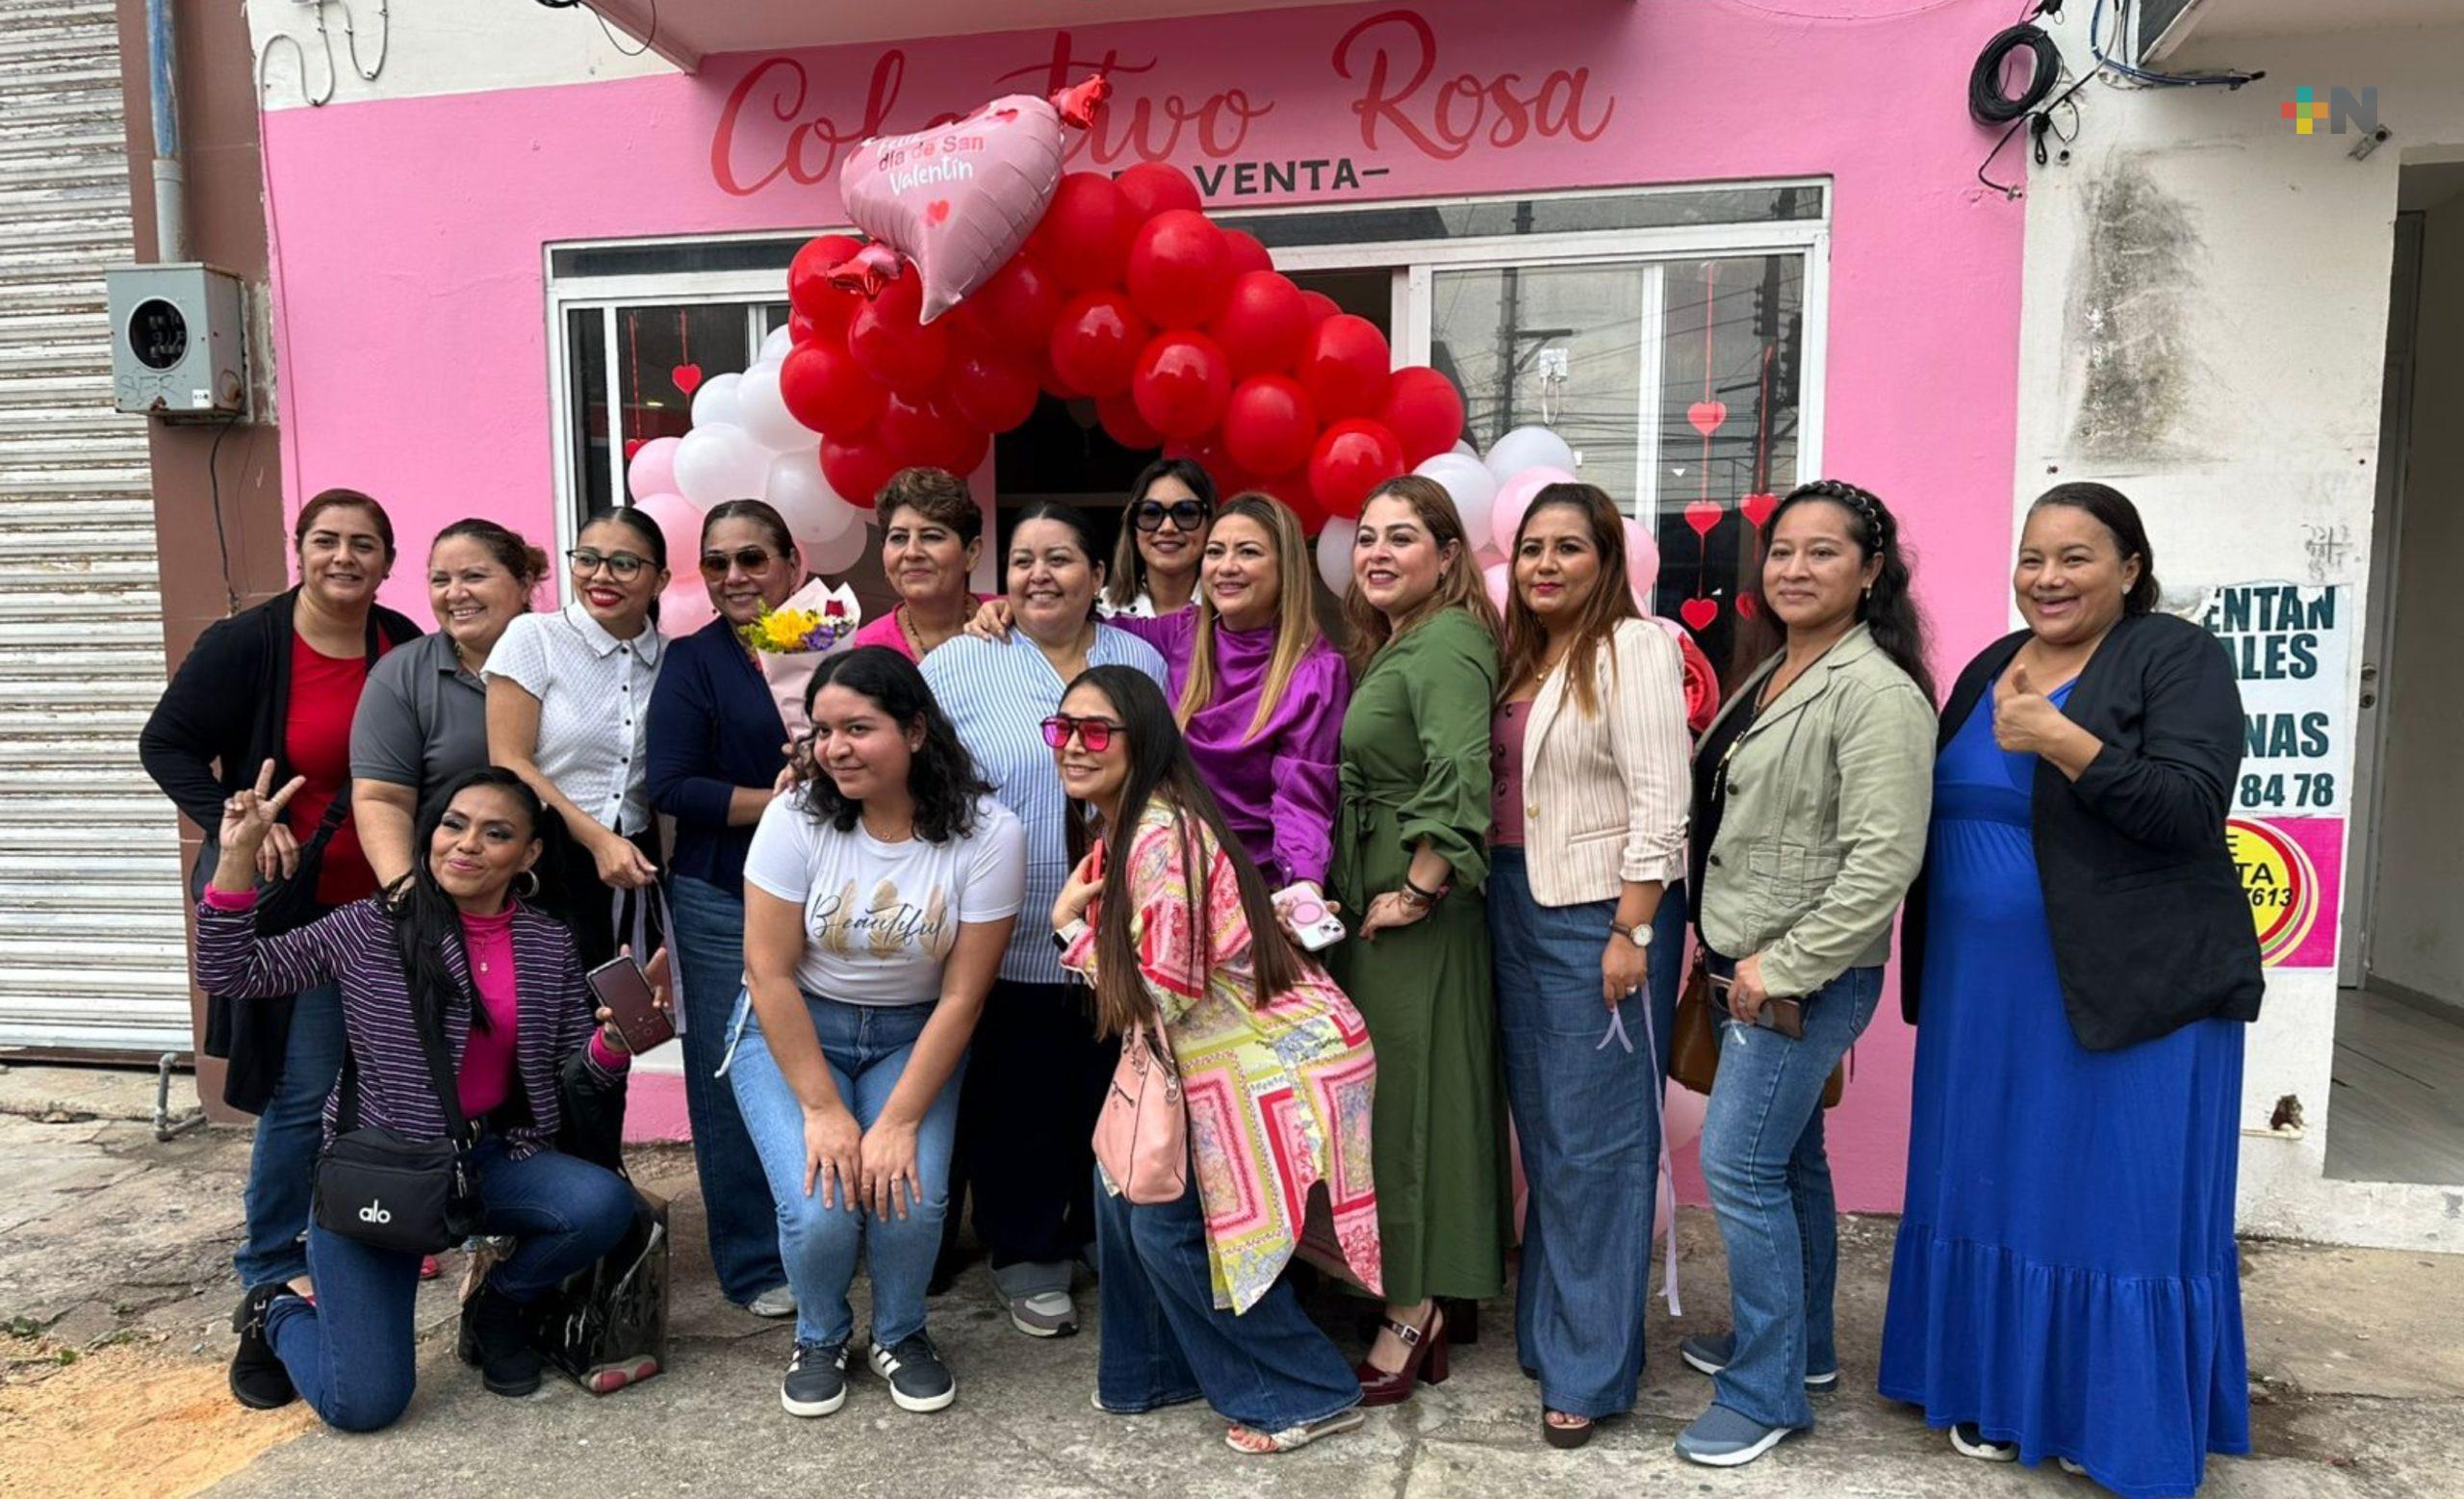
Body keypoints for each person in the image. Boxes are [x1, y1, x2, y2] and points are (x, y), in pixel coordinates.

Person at [1879, 483, 2259, 1496]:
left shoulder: (2172, 654)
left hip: (2126, 986)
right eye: (2031, 557)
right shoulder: (1991, 665)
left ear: (2130, 568)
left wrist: (2063, 741)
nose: (2046, 578)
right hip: (1980, 995)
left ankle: (2107, 1414)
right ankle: (1990, 1388)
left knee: (2110, 1202)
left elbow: (2190, 807)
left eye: (2075, 557)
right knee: (1993, 1185)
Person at [206, 764, 643, 1432]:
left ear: (527, 855)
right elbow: (232, 970)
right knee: (364, 1405)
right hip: (383, 1173)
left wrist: (614, 1042)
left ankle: (497, 1305)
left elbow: (569, 1071)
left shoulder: (547, 941)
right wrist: (237, 856)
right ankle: (276, 1311)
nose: (466, 844)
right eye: (453, 824)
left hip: (485, 1162)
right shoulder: (370, 926)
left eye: (495, 833)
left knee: (602, 1204)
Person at [1049, 666, 1382, 1455]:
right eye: (1062, 728)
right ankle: (1153, 1370)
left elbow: (1161, 991)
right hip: (1218, 1049)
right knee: (1124, 1189)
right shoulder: (1128, 825)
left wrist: (1069, 928)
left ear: (1141, 739)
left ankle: (1307, 1392)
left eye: (1095, 731)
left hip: (1274, 1054)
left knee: (1168, 1228)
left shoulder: (1160, 835)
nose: (1072, 745)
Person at [1672, 478, 1937, 1468]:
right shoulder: (1777, 668)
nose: (1794, 568)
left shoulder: (1876, 693)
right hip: (1746, 959)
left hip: (1802, 975)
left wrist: (1781, 967)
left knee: (1739, 1167)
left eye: (1822, 552)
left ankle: (1766, 1390)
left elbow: (1882, 861)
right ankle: (1804, 1347)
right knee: (1790, 1162)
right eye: (1781, 550)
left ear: (1870, 573)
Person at [137, 488, 422, 1406]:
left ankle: (369, 1221)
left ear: (387, 561)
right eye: (327, 540)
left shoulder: (399, 642)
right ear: (299, 548)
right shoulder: (248, 644)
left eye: (364, 544)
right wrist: (237, 821)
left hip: (378, 907)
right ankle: (268, 1260)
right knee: (303, 1090)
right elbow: (164, 744)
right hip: (291, 910)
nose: (345, 557)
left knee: (381, 1080)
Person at [728, 647, 1023, 1418]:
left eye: (858, 727)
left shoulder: (989, 832)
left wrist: (897, 1121)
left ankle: (901, 1331)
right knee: (820, 1206)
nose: (835, 748)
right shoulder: (796, 818)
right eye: (823, 731)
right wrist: (824, 1109)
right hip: (796, 1025)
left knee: (909, 1194)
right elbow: (768, 973)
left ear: (916, 730)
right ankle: (820, 1333)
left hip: (913, 1033)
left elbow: (963, 994)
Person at [920, 502, 1168, 1337]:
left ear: (1097, 575)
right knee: (1018, 1099)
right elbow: (924, 780)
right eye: (1022, 560)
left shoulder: (1139, 659)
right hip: (1008, 926)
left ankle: (1103, 1229)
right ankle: (1026, 1250)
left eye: (1059, 558)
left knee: (1110, 1085)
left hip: (1121, 926)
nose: (1038, 574)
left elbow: (1161, 771)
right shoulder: (961, 661)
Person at [1489, 481, 1691, 1448]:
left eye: (1568, 547)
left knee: (1599, 1147)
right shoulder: (1522, 657)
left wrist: (1632, 931)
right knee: (1546, 1136)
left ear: (1606, 560)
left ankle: (1590, 1369)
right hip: (1512, 900)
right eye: (1532, 547)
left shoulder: (1633, 647)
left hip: (1598, 916)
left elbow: (1663, 800)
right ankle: (1557, 1333)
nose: (1545, 564)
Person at [1323, 474, 1507, 1406]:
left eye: (1402, 536)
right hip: (1376, 893)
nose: (1378, 552)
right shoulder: (1402, 639)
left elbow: (1460, 768)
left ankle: (1413, 1311)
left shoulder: (1450, 640)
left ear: (1448, 554)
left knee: (1409, 1101)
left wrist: (1419, 888)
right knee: (1387, 1095)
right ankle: (1422, 1286)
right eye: (1367, 536)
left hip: (1415, 909)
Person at [966, 493, 1350, 895]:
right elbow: (1076, 617)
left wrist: (1302, 885)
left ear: (1286, 567)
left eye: (1248, 552)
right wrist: (1004, 607)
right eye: (1215, 552)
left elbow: (1303, 798)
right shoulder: (1182, 634)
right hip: (1169, 882)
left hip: (1258, 888)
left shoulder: (1316, 672)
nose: (1226, 567)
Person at [643, 499, 802, 1319]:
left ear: (792, 564)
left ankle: (823, 1230)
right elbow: (671, 786)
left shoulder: (828, 643)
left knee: (828, 1057)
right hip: (722, 894)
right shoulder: (694, 660)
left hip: (827, 890)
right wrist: (779, 802)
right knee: (731, 1066)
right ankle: (754, 1259)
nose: (734, 575)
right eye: (717, 562)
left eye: (752, 558)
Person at [486, 507, 669, 969]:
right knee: (548, 1001)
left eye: (624, 564)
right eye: (587, 559)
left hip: (635, 863)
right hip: (545, 856)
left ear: (661, 580)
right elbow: (509, 760)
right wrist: (598, 840)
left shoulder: (673, 658)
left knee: (630, 1002)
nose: (601, 576)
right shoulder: (535, 636)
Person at [353, 519, 548, 888]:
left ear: (524, 584)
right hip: (450, 894)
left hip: (571, 888)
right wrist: (404, 891)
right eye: (440, 580)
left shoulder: (568, 658)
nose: (455, 594)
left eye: (474, 576)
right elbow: (383, 799)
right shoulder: (402, 674)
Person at [849, 467, 988, 661]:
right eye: (898, 538)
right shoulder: (864, 652)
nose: (912, 553)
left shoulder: (1013, 620)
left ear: (972, 553)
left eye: (931, 536)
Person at [1099, 457, 1213, 618]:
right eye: (1151, 512)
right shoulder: (1099, 611)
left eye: (1186, 512)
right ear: (1133, 527)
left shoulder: (1233, 610)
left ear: (1211, 523)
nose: (1168, 528)